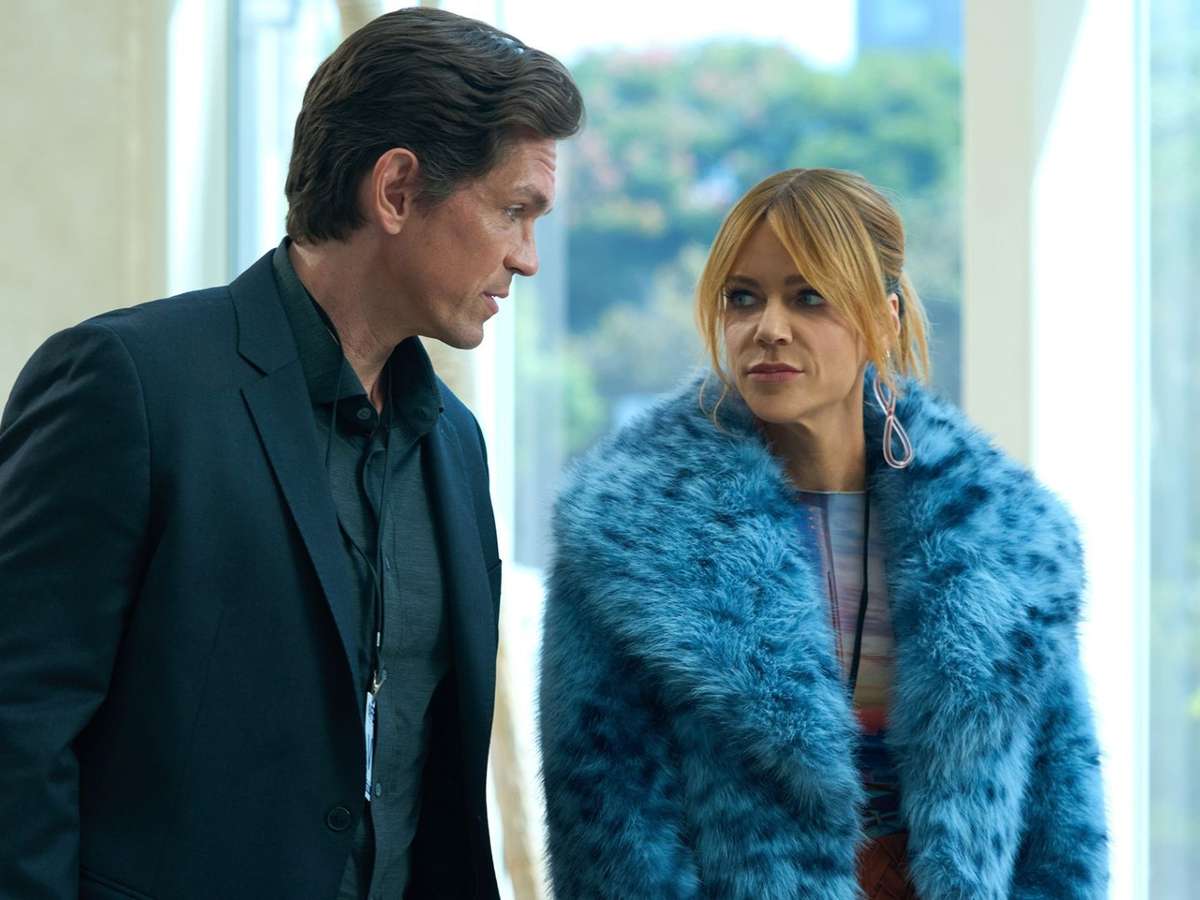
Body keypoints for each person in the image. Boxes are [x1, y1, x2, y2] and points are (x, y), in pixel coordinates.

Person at [0, 8, 581, 899]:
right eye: (513, 211)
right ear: (396, 190)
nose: (527, 258)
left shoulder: (456, 445)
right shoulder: (128, 383)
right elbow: (17, 728)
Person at [539, 168, 1108, 899]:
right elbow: (605, 822)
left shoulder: (1008, 539)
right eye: (743, 298)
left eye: (809, 297)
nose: (768, 327)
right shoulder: (630, 537)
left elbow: (1063, 820)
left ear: (886, 318)